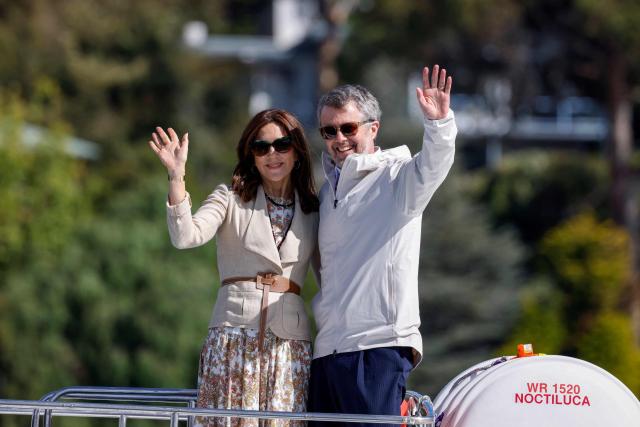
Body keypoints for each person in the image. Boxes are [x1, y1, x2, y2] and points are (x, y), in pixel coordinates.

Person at [148, 109, 320, 427]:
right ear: (250, 154)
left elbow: (330, 279)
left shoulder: (313, 209)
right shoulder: (230, 197)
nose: (272, 154)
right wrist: (176, 176)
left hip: (289, 347)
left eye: (282, 145)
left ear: (297, 151)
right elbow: (186, 236)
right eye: (261, 147)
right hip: (233, 339)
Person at [308, 65, 457, 426]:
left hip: (377, 347)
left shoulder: (397, 177)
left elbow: (434, 166)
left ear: (373, 128)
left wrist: (439, 124)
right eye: (330, 131)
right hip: (329, 350)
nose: (339, 138)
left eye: (348, 128)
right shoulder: (328, 193)